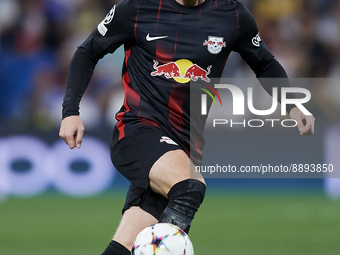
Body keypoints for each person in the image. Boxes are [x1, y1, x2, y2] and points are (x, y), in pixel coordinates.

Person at [59, 0, 315, 254]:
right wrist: (70, 111)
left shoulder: (232, 15)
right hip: (137, 130)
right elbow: (87, 51)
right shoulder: (138, 8)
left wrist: (293, 105)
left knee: (126, 245)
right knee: (189, 186)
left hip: (184, 145)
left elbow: (265, 63)